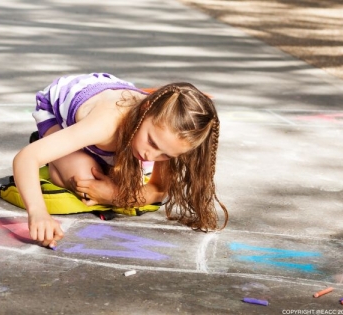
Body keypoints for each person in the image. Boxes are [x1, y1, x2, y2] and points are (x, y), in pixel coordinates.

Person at [13, 73, 228, 248]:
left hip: (117, 112)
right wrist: (38, 213)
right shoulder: (105, 125)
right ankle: (54, 142)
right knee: (84, 180)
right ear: (144, 112)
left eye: (165, 155)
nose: (151, 157)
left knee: (117, 180)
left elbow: (159, 189)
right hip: (60, 108)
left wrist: (114, 196)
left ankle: (81, 150)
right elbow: (26, 158)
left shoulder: (165, 134)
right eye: (151, 142)